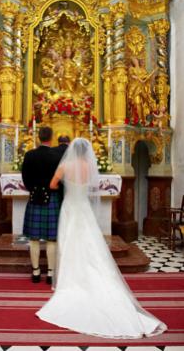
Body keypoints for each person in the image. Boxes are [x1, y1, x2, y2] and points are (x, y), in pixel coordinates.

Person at [36, 138, 167, 339]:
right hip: (84, 208)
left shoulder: (65, 165)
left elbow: (53, 185)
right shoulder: (89, 165)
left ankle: (69, 279)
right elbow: (91, 186)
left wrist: (63, 183)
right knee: (89, 243)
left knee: (69, 242)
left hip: (70, 207)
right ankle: (92, 275)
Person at [22, 127, 61, 284]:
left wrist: (34, 189)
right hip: (52, 198)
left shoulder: (30, 155)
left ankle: (36, 272)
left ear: (38, 138)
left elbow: (25, 178)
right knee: (52, 239)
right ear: (51, 138)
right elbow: (60, 180)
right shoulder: (57, 156)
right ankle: (50, 273)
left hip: (35, 198)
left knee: (34, 238)